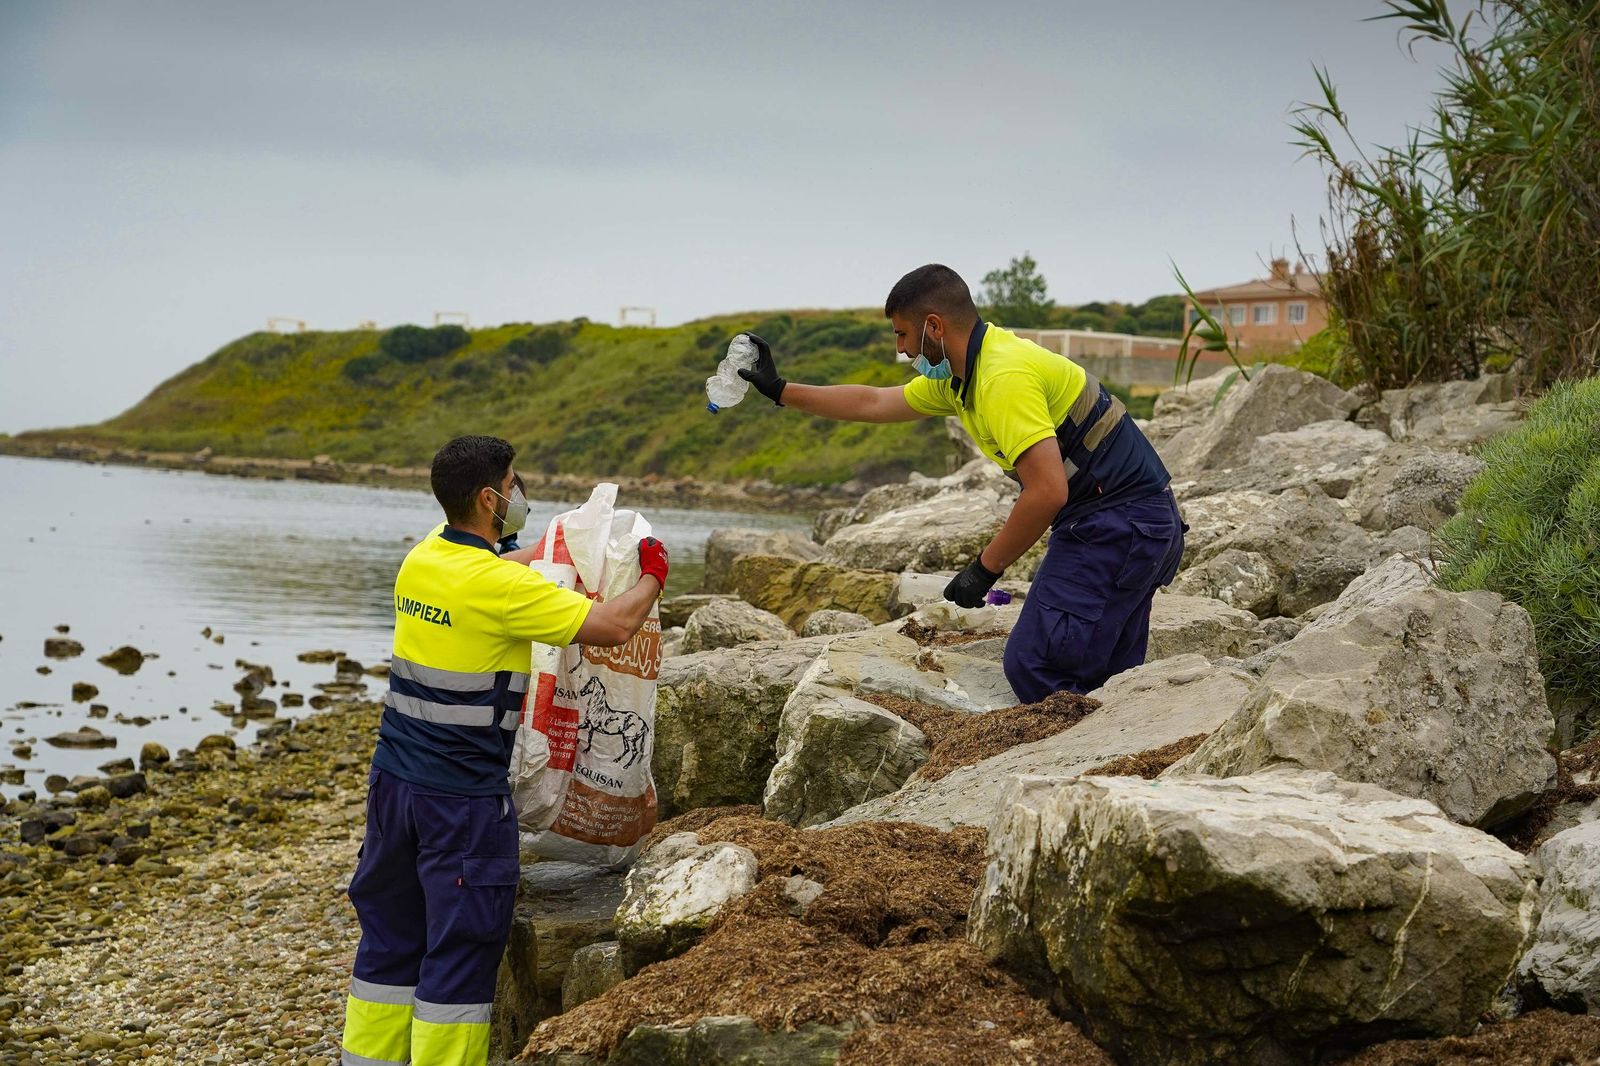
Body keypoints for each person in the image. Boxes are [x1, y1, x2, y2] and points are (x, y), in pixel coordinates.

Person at [340, 435, 668, 1066]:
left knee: (389, 944)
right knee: (459, 958)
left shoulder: (422, 560)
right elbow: (615, 626)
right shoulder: (502, 592)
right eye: (515, 483)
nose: (522, 493)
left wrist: (554, 546)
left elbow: (499, 570)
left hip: (392, 792)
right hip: (460, 804)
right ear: (491, 497)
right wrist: (652, 573)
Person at [736, 263, 1184, 703]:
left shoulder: (1001, 377)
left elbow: (1047, 491)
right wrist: (780, 389)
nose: (902, 350)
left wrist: (983, 570)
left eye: (902, 335)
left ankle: (1077, 760)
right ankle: (1115, 748)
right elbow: (873, 401)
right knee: (1110, 677)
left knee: (1036, 665)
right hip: (1138, 524)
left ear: (933, 326)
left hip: (1118, 527)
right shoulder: (962, 377)